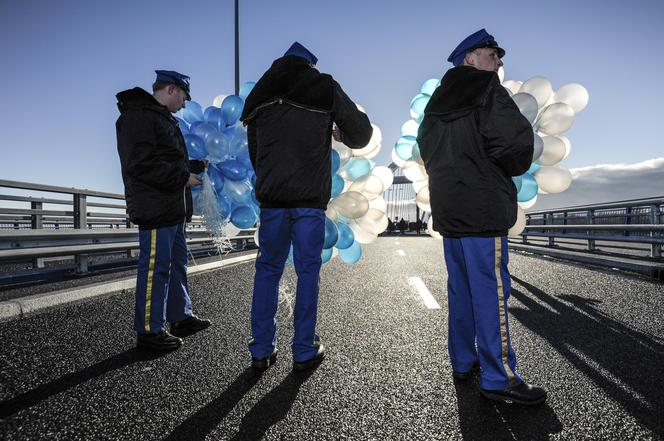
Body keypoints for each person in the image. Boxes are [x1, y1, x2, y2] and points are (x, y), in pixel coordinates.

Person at [418, 29, 546, 405]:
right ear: (470, 58)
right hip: (482, 210)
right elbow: (515, 143)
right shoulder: (487, 89)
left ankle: (463, 360)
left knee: (460, 289)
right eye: (493, 54)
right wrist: (501, 169)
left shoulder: (436, 103)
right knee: (491, 291)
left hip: (450, 210)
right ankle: (499, 376)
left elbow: (426, 151)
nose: (499, 62)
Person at [241, 42, 373, 371]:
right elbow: (361, 134)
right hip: (308, 203)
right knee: (307, 273)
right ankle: (303, 348)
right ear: (309, 66)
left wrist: (271, 182)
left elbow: (255, 152)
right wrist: (340, 132)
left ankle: (261, 348)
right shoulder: (322, 86)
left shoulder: (260, 93)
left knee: (268, 271)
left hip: (273, 201)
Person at [116, 70, 211, 351]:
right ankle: (149, 331)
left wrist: (194, 166)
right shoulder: (139, 116)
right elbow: (141, 164)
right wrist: (183, 177)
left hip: (172, 207)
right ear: (171, 89)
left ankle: (180, 316)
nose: (185, 103)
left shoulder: (159, 118)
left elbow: (166, 159)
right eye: (183, 96)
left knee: (176, 266)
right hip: (157, 207)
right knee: (156, 268)